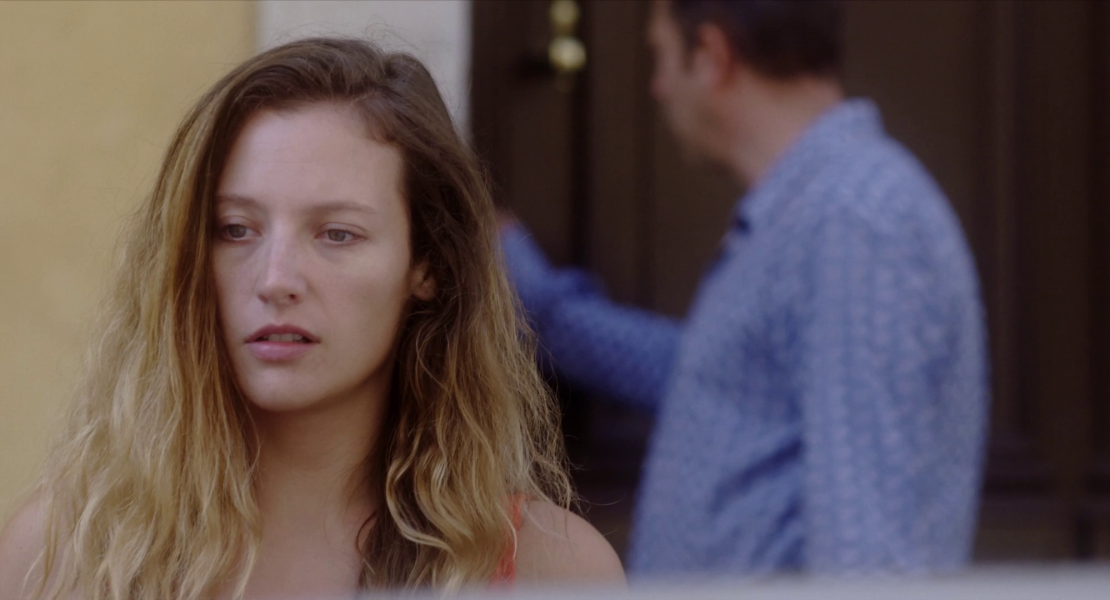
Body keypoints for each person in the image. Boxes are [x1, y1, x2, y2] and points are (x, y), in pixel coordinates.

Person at [0, 38, 624, 600]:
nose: (275, 280)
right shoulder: (63, 554)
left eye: (337, 234)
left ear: (426, 264)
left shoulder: (549, 569)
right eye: (235, 229)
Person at [499, 0, 988, 576]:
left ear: (712, 55)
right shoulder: (815, 213)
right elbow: (709, 381)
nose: (657, 87)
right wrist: (527, 290)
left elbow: (869, 559)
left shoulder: (857, 221)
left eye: (661, 56)